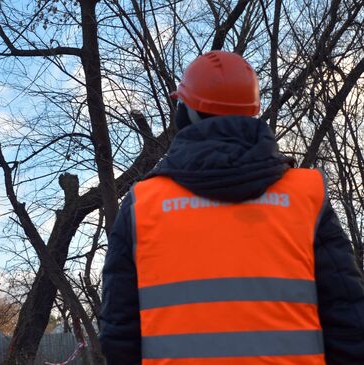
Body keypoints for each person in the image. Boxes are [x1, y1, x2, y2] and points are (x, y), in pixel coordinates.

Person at [99, 50, 364, 365]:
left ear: (186, 114)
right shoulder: (306, 194)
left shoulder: (143, 204)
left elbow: (118, 334)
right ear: (250, 113)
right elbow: (349, 322)